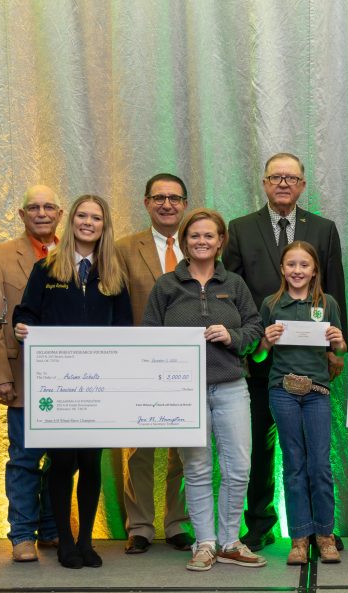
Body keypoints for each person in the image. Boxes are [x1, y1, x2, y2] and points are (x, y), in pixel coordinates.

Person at [223, 153, 347, 552]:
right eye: (275, 177)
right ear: (264, 182)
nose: (283, 183)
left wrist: (337, 348)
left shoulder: (324, 229)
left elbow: (335, 295)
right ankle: (261, 522)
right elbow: (232, 293)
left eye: (290, 178)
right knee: (260, 443)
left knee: (315, 454)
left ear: (302, 185)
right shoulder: (241, 229)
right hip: (262, 359)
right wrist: (250, 345)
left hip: (312, 365)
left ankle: (321, 527)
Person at [13, 195, 132, 569]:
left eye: (96, 218)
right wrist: (22, 328)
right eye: (82, 215)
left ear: (104, 225)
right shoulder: (46, 268)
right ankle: (64, 540)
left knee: (92, 462)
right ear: (72, 221)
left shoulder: (113, 273)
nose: (88, 222)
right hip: (60, 386)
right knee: (63, 462)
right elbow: (26, 313)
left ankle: (86, 542)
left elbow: (124, 327)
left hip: (99, 386)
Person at [144, 208, 264, 571]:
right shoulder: (167, 285)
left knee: (238, 467)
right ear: (184, 241)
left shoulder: (235, 285)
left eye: (209, 236)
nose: (202, 241)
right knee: (196, 468)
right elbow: (149, 334)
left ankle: (230, 541)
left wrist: (233, 337)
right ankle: (205, 543)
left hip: (230, 386)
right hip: (185, 392)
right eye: (194, 235)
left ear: (220, 241)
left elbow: (256, 328)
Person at [0, 186, 62, 562]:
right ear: (21, 213)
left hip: (69, 381)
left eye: (48, 207)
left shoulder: (77, 255)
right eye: (34, 207)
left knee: (62, 461)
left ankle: (51, 527)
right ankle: (22, 534)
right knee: (25, 458)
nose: (41, 213)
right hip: (22, 375)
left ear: (60, 214)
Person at [116, 173, 193, 554]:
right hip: (138, 363)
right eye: (159, 198)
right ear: (146, 203)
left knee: (185, 447)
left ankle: (178, 523)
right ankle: (141, 526)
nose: (167, 204)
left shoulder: (200, 245)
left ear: (184, 205)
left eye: (174, 199)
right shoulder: (124, 248)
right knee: (138, 450)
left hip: (188, 364)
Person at [256, 241, 346, 565]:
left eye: (304, 265)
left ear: (314, 270)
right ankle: (299, 539)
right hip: (282, 391)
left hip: (317, 392)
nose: (297, 270)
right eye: (291, 264)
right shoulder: (271, 304)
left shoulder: (326, 303)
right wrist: (266, 340)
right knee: (293, 465)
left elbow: (339, 354)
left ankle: (325, 535)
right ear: (282, 268)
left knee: (320, 465)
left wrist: (339, 344)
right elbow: (259, 354)